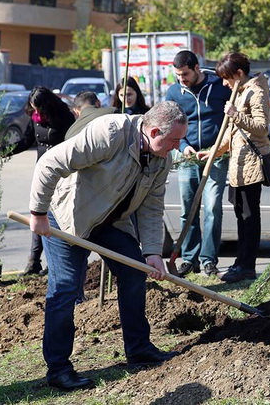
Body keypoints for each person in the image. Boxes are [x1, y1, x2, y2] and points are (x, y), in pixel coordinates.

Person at [29, 101, 187, 391]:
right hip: (69, 217)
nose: (176, 147)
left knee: (134, 274)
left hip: (110, 222)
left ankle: (138, 349)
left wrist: (152, 252)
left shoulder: (162, 158)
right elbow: (49, 163)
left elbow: (152, 206)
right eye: (174, 140)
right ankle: (59, 369)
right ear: (154, 131)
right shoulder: (110, 133)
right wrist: (38, 213)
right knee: (65, 289)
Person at [201, 52, 270, 284]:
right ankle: (240, 262)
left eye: (227, 78)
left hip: (251, 164)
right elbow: (232, 135)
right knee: (241, 215)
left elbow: (261, 128)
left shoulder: (256, 91)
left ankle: (247, 266)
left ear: (239, 74)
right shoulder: (241, 91)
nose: (224, 83)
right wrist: (212, 152)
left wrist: (236, 115)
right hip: (238, 165)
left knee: (249, 217)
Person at [165, 50, 232, 277]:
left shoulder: (219, 84)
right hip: (189, 157)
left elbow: (231, 119)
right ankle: (189, 259)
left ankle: (208, 260)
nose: (181, 79)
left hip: (216, 155)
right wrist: (183, 146)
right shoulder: (174, 92)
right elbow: (169, 124)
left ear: (196, 68)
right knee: (188, 209)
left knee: (212, 206)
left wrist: (219, 148)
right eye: (177, 75)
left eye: (184, 74)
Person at [9, 86, 75, 275]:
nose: (36, 112)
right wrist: (4, 150)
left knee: (59, 219)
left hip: (62, 175)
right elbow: (26, 141)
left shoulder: (65, 118)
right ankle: (33, 262)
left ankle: (55, 263)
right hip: (41, 174)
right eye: (33, 108)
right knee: (38, 215)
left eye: (39, 108)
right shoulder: (34, 118)